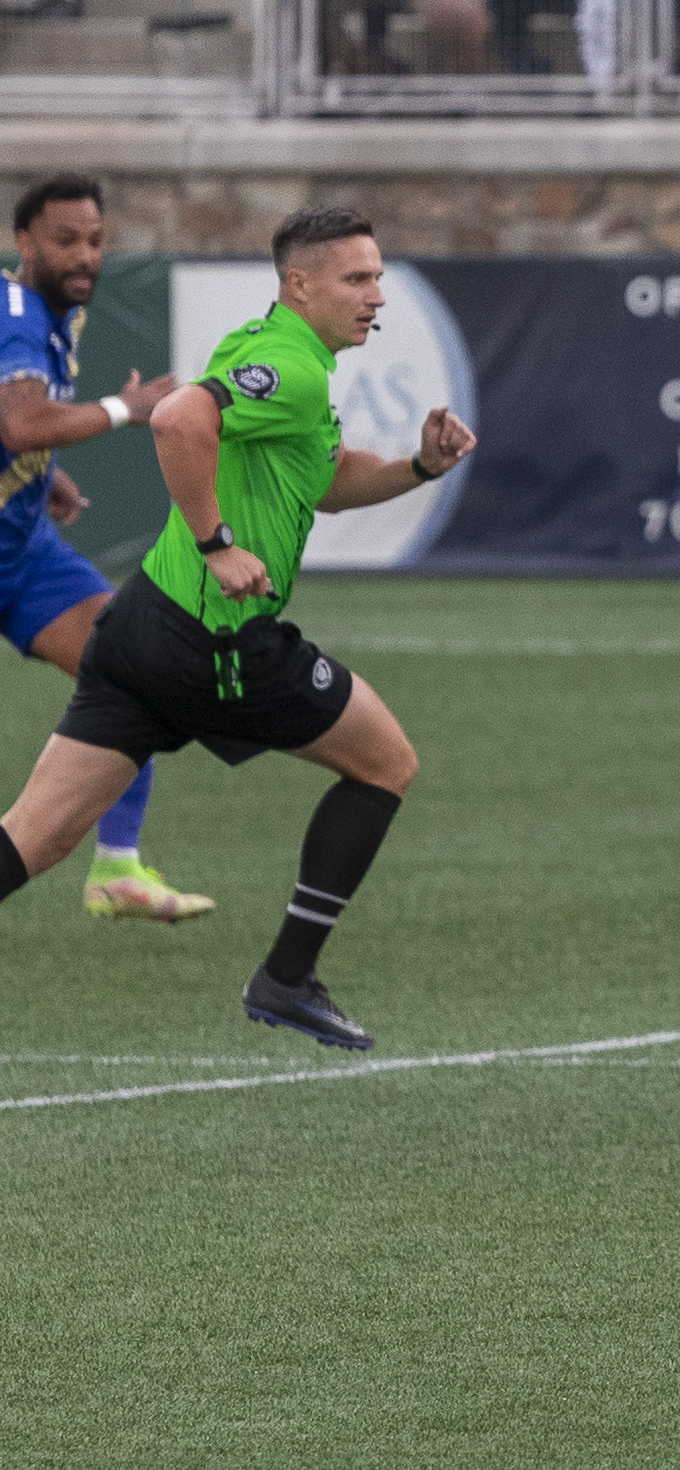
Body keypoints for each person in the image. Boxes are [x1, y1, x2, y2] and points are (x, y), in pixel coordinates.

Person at [0, 206, 475, 1051]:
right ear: (302, 283)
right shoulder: (288, 367)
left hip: (139, 624)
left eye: (378, 279)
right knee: (385, 763)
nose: (376, 297)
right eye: (357, 279)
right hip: (213, 644)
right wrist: (219, 544)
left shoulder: (271, 350)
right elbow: (182, 419)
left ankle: (287, 981)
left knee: (32, 838)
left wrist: (418, 467)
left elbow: (327, 481)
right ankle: (286, 979)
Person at [0, 174, 211, 924]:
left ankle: (118, 868)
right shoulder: (18, 313)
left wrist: (46, 478)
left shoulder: (60, 315)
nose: (84, 254)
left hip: (21, 554)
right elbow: (21, 423)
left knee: (134, 666)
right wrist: (130, 408)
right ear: (25, 243)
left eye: (94, 240)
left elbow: (25, 434)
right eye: (65, 240)